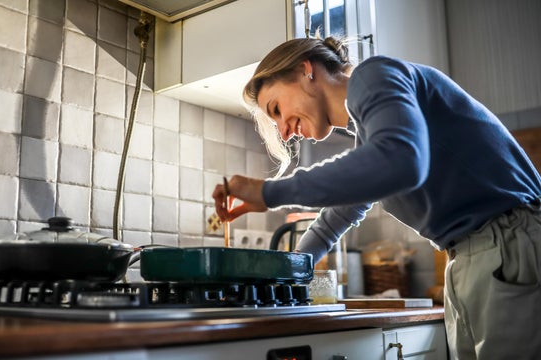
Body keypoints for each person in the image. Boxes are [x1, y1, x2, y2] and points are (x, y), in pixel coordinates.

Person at [212, 37, 541, 360]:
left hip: (509, 247)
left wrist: (268, 192)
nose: (284, 132)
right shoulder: (372, 136)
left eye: (277, 109)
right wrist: (286, 276)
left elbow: (400, 159)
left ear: (304, 70)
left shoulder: (373, 75)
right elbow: (334, 221)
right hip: (477, 259)